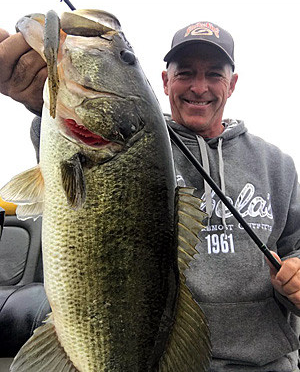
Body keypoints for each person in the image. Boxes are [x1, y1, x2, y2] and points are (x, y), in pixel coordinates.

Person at [0, 20, 300, 372]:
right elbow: (62, 157)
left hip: (267, 363)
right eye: (185, 73)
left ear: (232, 84)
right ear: (165, 81)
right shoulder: (138, 142)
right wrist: (43, 100)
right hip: (157, 358)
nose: (199, 87)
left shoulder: (277, 164)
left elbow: (295, 245)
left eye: (214, 74)